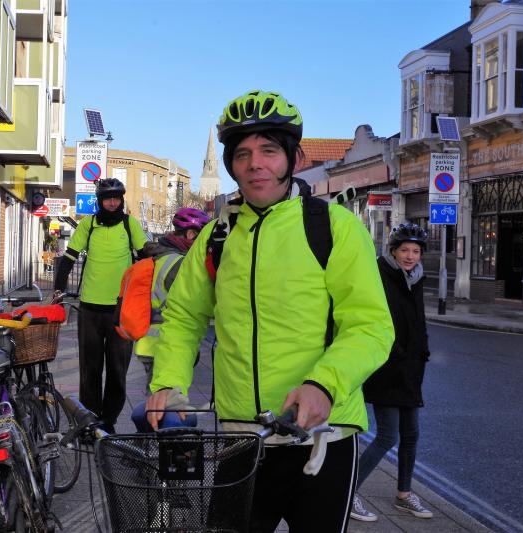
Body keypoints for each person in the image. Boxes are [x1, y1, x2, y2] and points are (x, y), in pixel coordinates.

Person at [145, 89, 394, 532]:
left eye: (268, 150)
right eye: (242, 154)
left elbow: (371, 326)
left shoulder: (333, 227)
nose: (255, 163)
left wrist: (324, 384)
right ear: (230, 165)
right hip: (242, 439)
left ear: (293, 158)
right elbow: (184, 317)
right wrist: (168, 382)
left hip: (322, 440)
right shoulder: (217, 236)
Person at [350, 223, 434, 522]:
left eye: (415, 251)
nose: (410, 256)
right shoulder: (379, 275)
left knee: (411, 435)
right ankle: (348, 493)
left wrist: (422, 350)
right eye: (404, 250)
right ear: (393, 251)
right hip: (387, 367)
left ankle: (404, 494)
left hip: (411, 370)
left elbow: (418, 321)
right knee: (387, 436)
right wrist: (391, 352)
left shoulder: (416, 278)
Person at [53, 178, 148, 433]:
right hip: (90, 310)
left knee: (118, 372)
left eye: (117, 197)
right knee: (90, 370)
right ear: (100, 201)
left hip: (121, 310)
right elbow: (68, 259)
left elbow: (147, 257)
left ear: (122, 199)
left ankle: (109, 421)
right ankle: (90, 421)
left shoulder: (130, 225)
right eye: (108, 198)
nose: (113, 202)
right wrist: (58, 291)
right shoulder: (89, 225)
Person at [135, 207, 211, 393]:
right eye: (203, 238)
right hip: (164, 344)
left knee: (155, 403)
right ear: (191, 234)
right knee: (163, 408)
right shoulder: (180, 263)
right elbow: (193, 301)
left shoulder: (160, 256)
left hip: (148, 342)